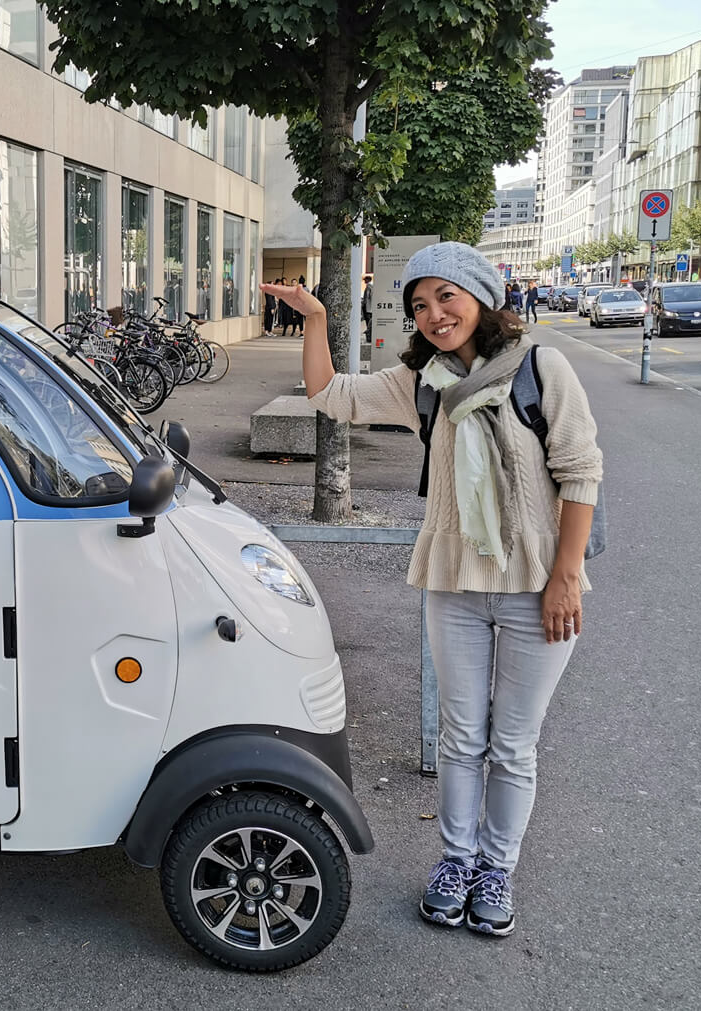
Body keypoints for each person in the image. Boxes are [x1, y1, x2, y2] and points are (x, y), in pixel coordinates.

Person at [260, 241, 602, 939]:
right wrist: (319, 318)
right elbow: (331, 394)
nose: (435, 313)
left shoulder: (542, 366)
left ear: (481, 296)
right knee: (460, 735)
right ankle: (456, 860)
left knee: (512, 742)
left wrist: (566, 576)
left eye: (447, 296)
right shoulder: (423, 379)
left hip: (538, 581)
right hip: (454, 579)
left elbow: (580, 470)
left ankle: (496, 869)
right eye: (421, 303)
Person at [361, 273, 374, 342]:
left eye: (365, 279)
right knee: (370, 322)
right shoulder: (372, 286)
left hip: (368, 307)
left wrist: (363, 304)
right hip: (371, 307)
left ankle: (369, 335)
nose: (364, 281)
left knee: (368, 322)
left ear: (368, 279)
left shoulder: (369, 286)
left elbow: (367, 297)